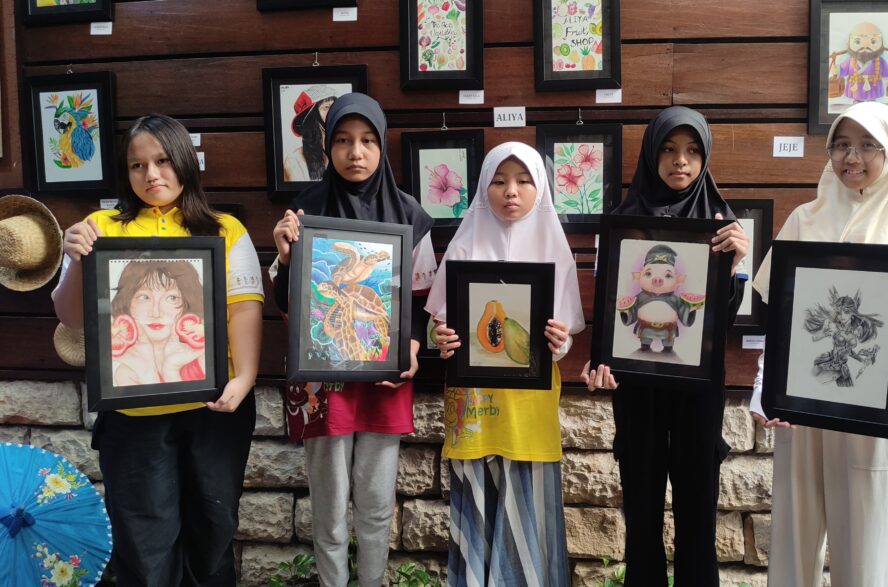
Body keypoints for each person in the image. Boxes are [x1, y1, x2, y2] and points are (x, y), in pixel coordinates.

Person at [749, 101, 888, 587]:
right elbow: (783, 319)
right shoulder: (806, 218)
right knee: (793, 528)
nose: (853, 157)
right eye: (842, 145)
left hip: (873, 406)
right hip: (800, 403)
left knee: (868, 534)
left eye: (869, 144)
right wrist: (765, 387)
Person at [52, 114, 265, 586]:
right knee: (144, 546)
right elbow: (70, 316)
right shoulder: (99, 228)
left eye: (163, 160)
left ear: (185, 161)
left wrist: (245, 377)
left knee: (213, 532)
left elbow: (244, 309)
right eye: (137, 165)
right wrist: (76, 261)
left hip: (214, 411)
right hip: (134, 418)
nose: (151, 174)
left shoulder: (226, 229)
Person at [270, 93, 435, 587]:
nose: (355, 152)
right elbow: (288, 305)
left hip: (385, 378)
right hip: (324, 379)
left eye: (367, 141)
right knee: (329, 504)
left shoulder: (411, 215)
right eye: (342, 140)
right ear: (328, 147)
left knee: (377, 502)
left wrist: (411, 348)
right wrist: (285, 256)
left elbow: (424, 302)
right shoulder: (304, 212)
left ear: (382, 145)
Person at [581, 106, 749, 586]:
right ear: (651, 154)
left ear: (705, 158)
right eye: (669, 149)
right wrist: (601, 362)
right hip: (639, 388)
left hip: (699, 390)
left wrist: (735, 264)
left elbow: (722, 320)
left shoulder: (722, 225)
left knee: (698, 510)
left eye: (693, 151)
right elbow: (613, 311)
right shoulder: (622, 224)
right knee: (642, 508)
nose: (681, 161)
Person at [425, 142, 585, 586]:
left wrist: (559, 344)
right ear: (483, 188)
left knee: (526, 507)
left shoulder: (555, 249)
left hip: (528, 409)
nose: (510, 191)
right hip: (475, 405)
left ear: (541, 189)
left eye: (523, 181)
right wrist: (441, 340)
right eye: (498, 181)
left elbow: (565, 335)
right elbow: (440, 327)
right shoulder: (463, 247)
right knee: (477, 504)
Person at [109, 260, 207, 386]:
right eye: (144, 297)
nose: (156, 313)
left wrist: (171, 370)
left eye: (172, 298)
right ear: (126, 303)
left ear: (188, 303)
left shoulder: (202, 358)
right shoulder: (126, 374)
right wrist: (147, 373)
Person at [283, 85, 338, 182]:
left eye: (334, 106)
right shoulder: (294, 161)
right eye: (326, 107)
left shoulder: (341, 149)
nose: (333, 111)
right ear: (313, 116)